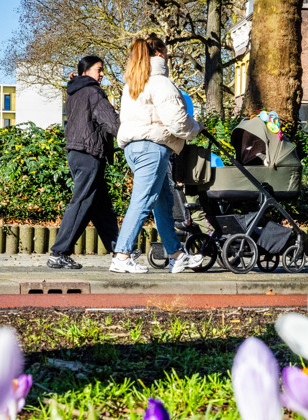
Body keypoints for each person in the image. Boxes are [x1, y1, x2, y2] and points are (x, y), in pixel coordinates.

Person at [111, 34, 203, 274]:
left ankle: (176, 255)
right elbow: (177, 122)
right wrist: (197, 128)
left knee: (163, 202)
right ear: (161, 55)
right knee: (142, 201)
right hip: (152, 148)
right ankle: (122, 256)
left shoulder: (133, 82)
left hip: (135, 147)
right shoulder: (161, 82)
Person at [47, 55, 120, 269]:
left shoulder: (74, 92)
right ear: (86, 71)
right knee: (81, 202)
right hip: (89, 153)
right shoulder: (93, 91)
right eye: (99, 69)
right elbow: (110, 122)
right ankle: (59, 253)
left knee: (101, 206)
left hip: (76, 152)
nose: (102, 73)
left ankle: (120, 250)